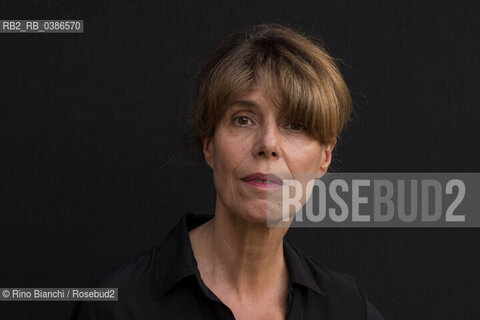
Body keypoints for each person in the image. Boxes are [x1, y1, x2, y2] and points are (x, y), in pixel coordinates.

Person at [72, 23, 384, 319]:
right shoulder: (118, 308)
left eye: (295, 124)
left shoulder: (347, 308)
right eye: (243, 119)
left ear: (324, 159)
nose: (268, 144)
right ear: (209, 144)